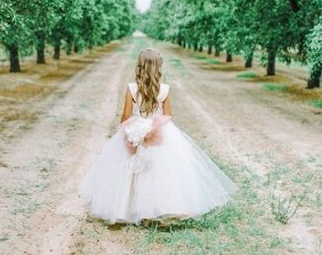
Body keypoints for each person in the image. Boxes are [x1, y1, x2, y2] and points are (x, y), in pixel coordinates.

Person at [79, 48, 236, 224]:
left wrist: (132, 130)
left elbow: (125, 116)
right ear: (158, 67)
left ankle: (130, 209)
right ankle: (162, 208)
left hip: (137, 128)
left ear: (139, 66)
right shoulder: (165, 89)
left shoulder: (132, 88)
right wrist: (155, 125)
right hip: (159, 132)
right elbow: (168, 115)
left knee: (131, 167)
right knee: (162, 170)